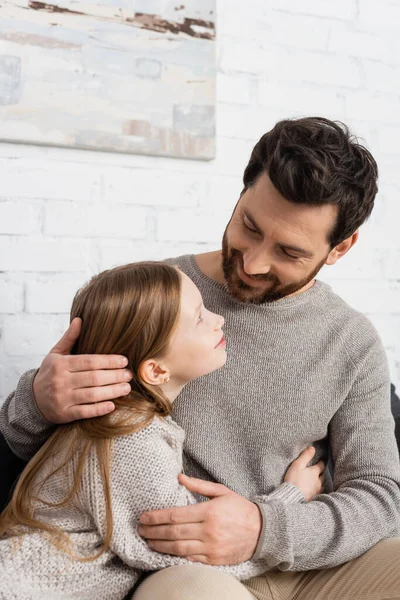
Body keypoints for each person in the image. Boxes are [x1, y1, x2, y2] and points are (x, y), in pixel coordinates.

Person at [1, 117, 400, 600]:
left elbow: (379, 495)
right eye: (249, 226)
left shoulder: (352, 342)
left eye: (289, 252)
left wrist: (265, 526)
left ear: (340, 247)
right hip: (186, 569)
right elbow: (68, 452)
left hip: (305, 558)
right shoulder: (161, 296)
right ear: (241, 193)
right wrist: (37, 401)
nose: (253, 262)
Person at [0, 262, 325, 600]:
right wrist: (290, 499)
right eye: (200, 317)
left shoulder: (123, 425)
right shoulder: (132, 441)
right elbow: (195, 554)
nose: (219, 319)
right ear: (155, 370)